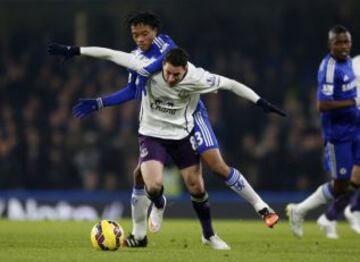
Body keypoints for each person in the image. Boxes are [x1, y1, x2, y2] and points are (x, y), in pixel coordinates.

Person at [48, 12, 282, 248]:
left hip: (183, 130)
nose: (170, 78)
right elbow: (110, 56)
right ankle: (155, 208)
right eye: (135, 35)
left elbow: (231, 84)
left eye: (144, 34)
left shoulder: (195, 75)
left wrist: (260, 102)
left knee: (200, 182)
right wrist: (75, 51)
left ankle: (236, 220)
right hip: (152, 132)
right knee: (152, 185)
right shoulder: (138, 61)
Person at [286, 25, 360, 239]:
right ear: (330, 45)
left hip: (354, 128)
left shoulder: (348, 63)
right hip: (339, 136)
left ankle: (341, 214)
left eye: (346, 42)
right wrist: (354, 102)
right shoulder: (329, 68)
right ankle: (300, 210)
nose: (344, 46)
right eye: (339, 42)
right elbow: (323, 105)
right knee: (340, 187)